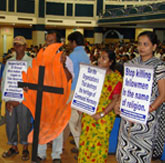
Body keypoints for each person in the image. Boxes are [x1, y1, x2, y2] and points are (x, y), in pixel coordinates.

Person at [115, 31, 165, 163]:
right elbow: (125, 87)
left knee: (140, 153)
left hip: (145, 119)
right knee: (124, 151)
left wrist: (150, 108)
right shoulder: (132, 63)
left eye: (146, 44)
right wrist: (118, 102)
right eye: (139, 44)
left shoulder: (159, 66)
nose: (141, 47)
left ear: (154, 47)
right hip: (128, 115)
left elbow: (163, 94)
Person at [78, 49, 122, 163]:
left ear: (111, 62)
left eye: (104, 58)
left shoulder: (115, 78)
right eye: (99, 57)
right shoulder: (93, 73)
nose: (99, 60)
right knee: (86, 143)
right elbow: (85, 91)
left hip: (104, 117)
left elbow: (115, 99)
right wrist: (81, 106)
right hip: (89, 114)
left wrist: (102, 113)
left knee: (99, 145)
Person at [37, 30, 74, 163]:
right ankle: (41, 153)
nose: (48, 43)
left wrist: (62, 64)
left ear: (58, 43)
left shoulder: (66, 59)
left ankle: (56, 155)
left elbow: (70, 79)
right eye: (47, 40)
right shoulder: (41, 57)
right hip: (44, 97)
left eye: (51, 41)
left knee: (57, 127)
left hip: (58, 98)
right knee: (42, 126)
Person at [1, 36, 32, 161]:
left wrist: (19, 99)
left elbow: (32, 83)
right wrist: (7, 99)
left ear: (25, 46)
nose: (17, 47)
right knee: (10, 124)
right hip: (10, 99)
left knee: (24, 124)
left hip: (24, 100)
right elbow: (4, 81)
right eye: (15, 45)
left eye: (19, 45)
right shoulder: (9, 62)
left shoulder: (30, 62)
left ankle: (25, 148)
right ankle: (13, 147)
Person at [65, 31, 90, 156]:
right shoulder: (86, 55)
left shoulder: (73, 56)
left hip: (73, 90)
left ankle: (81, 148)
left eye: (70, 42)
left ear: (74, 42)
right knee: (79, 121)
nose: (69, 45)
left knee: (72, 121)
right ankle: (80, 144)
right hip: (83, 90)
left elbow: (68, 76)